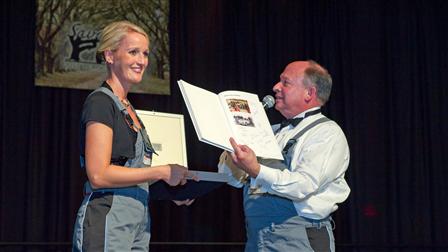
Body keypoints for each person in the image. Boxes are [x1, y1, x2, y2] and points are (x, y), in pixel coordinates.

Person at [72, 21, 193, 252]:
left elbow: (134, 173)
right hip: (108, 218)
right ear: (109, 55)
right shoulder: (100, 102)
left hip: (137, 223)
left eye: (145, 53)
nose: (142, 61)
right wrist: (162, 171)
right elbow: (98, 174)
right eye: (133, 52)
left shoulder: (129, 108)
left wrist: (173, 188)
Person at [218, 60, 350, 251]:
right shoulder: (271, 132)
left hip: (298, 237)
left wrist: (256, 168)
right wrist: (233, 143)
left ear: (309, 93)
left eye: (285, 83)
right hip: (257, 236)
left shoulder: (327, 133)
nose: (275, 87)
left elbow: (303, 185)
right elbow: (233, 179)